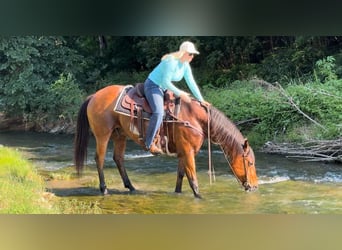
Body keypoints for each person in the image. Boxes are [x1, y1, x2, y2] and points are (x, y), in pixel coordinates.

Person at [143, 41, 209, 155]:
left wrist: (200, 99)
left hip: (163, 88)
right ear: (183, 53)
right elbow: (165, 81)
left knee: (174, 112)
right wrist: (180, 93)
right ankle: (149, 143)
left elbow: (191, 83)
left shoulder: (185, 65)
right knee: (158, 112)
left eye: (193, 54)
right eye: (190, 54)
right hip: (153, 86)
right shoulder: (171, 62)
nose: (192, 57)